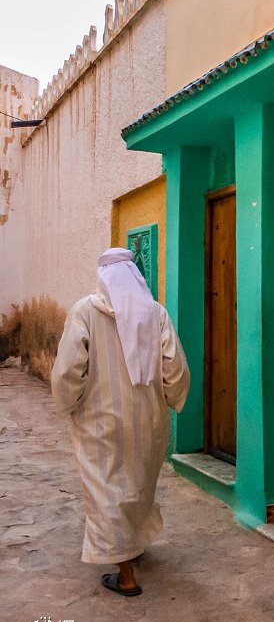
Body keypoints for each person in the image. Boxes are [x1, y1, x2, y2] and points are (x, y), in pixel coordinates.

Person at [51, 247, 190, 597]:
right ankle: (131, 545)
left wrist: (69, 404)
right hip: (148, 419)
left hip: (99, 420)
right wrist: (172, 400)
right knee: (137, 484)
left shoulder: (84, 312)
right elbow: (175, 368)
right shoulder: (156, 313)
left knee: (106, 490)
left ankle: (125, 573)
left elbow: (68, 370)